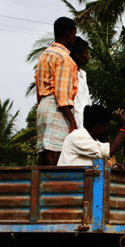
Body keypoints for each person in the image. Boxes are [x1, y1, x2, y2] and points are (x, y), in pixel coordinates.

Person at [35, 17, 78, 166]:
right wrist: (72, 121)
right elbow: (62, 94)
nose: (74, 38)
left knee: (43, 152)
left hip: (43, 107)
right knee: (55, 154)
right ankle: (51, 187)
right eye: (74, 34)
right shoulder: (64, 58)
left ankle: (38, 187)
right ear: (68, 33)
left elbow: (37, 87)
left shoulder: (44, 55)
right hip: (57, 108)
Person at [57, 105, 125, 167]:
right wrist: (123, 129)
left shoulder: (92, 142)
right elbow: (109, 151)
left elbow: (100, 164)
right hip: (70, 181)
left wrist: (115, 167)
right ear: (97, 125)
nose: (106, 129)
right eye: (105, 126)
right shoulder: (77, 137)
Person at [69, 37, 91, 129]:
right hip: (76, 125)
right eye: (86, 53)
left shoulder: (83, 74)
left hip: (88, 124)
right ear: (77, 55)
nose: (88, 56)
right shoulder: (69, 74)